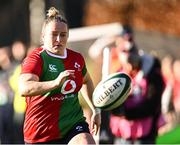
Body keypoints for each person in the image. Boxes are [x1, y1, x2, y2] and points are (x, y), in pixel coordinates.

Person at [18, 7, 101, 145]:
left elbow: (86, 81)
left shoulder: (76, 59)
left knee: (86, 142)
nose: (58, 39)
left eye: (63, 35)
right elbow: (24, 88)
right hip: (41, 131)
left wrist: (96, 110)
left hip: (73, 124)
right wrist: (55, 83)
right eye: (54, 34)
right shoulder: (36, 59)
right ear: (43, 36)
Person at [109, 28, 165, 144]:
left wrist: (128, 114)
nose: (130, 67)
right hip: (123, 133)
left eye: (132, 63)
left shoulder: (151, 74)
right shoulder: (117, 74)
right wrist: (119, 111)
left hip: (145, 132)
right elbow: (111, 102)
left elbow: (153, 103)